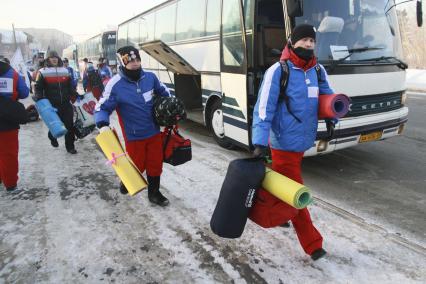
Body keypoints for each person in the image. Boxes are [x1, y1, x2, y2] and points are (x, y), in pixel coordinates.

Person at [251, 24, 335, 261]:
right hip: (283, 144)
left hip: (302, 141)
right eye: (304, 40)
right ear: (292, 41)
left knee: (283, 186)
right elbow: (263, 109)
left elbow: (328, 96)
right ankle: (313, 244)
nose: (308, 44)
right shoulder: (278, 71)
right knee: (298, 194)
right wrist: (259, 142)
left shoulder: (317, 70)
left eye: (312, 41)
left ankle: (277, 214)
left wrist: (331, 119)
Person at [94, 46, 172, 206]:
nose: (135, 63)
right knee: (137, 165)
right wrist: (102, 124)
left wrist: (172, 104)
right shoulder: (115, 84)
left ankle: (154, 193)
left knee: (155, 163)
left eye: (137, 60)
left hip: (154, 131)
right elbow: (101, 107)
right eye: (131, 61)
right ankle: (126, 180)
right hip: (134, 135)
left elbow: (164, 92)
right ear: (123, 63)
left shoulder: (150, 77)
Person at [34, 50, 78, 154]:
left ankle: (70, 147)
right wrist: (39, 97)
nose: (54, 59)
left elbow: (69, 86)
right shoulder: (42, 72)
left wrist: (76, 95)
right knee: (56, 124)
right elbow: (38, 88)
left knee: (69, 126)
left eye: (56, 57)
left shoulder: (65, 71)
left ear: (58, 59)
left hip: (66, 103)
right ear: (47, 59)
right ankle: (52, 136)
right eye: (51, 57)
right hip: (52, 105)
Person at [0, 60, 30, 191]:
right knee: (9, 153)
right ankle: (10, 183)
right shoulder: (13, 74)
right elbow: (24, 93)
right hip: (8, 119)